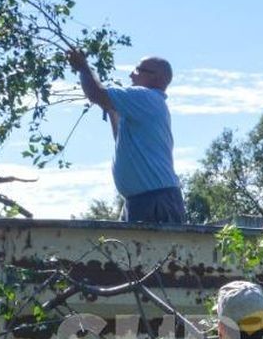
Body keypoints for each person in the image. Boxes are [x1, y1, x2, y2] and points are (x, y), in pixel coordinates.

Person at [67, 48, 187, 223]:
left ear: (157, 78)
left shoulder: (145, 97)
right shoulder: (147, 104)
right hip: (142, 200)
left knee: (151, 250)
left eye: (138, 70)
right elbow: (122, 141)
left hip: (155, 201)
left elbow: (95, 93)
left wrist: (83, 67)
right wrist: (111, 109)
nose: (131, 74)